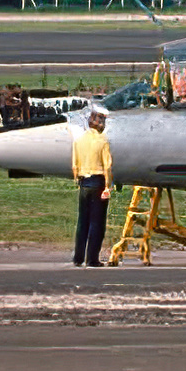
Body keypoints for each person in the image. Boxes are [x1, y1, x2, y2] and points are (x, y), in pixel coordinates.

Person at [71, 110, 114, 267]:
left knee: (83, 221)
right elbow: (107, 165)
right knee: (97, 222)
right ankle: (92, 258)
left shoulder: (79, 141)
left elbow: (74, 165)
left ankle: (78, 257)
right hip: (98, 182)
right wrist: (108, 186)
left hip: (84, 182)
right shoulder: (102, 141)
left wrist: (79, 179)